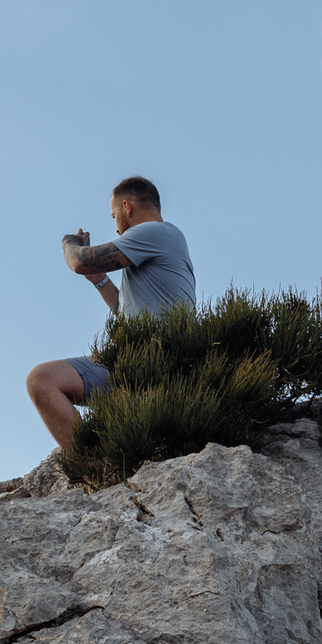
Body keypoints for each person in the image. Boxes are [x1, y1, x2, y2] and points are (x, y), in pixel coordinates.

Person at [25, 175, 196, 450]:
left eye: (115, 215)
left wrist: (69, 243)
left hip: (154, 363)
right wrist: (100, 280)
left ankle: (89, 464)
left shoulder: (155, 232)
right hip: (141, 361)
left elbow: (79, 261)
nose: (116, 226)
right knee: (43, 380)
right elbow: (129, 314)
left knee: (42, 380)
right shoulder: (162, 242)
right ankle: (97, 464)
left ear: (127, 207)